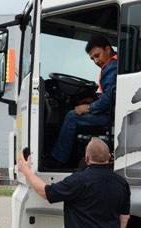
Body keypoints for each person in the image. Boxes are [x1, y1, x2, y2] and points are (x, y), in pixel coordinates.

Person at [50, 35, 118, 167]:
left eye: (97, 55)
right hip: (111, 112)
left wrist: (88, 107)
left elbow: (108, 100)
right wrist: (93, 100)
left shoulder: (111, 67)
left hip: (109, 117)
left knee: (71, 117)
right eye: (93, 58)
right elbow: (110, 95)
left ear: (108, 49)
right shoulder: (116, 63)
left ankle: (58, 161)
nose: (96, 61)